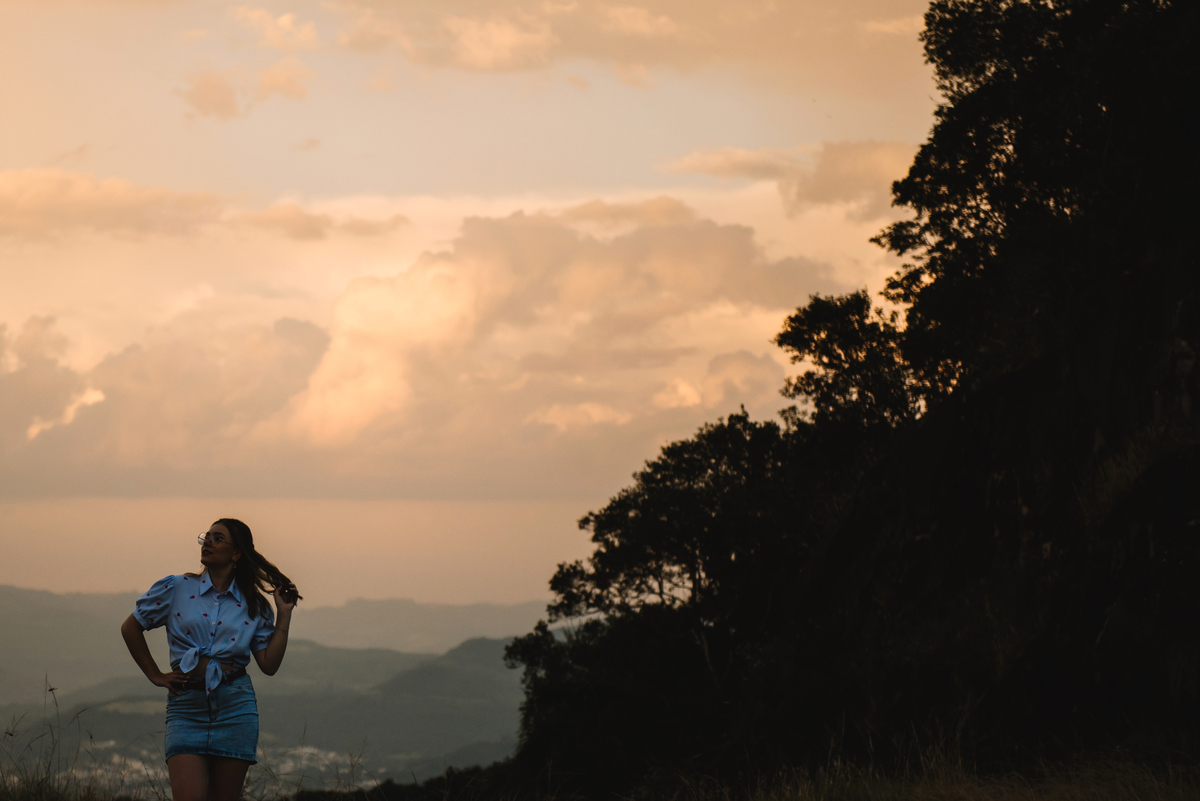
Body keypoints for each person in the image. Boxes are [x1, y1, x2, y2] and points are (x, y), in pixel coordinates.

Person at [120, 518, 301, 801]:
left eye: (218, 538)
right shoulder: (176, 588)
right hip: (186, 707)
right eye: (207, 537)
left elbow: (269, 664)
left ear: (236, 553)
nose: (208, 542)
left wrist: (284, 615)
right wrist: (155, 675)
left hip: (235, 706)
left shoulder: (254, 604)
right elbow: (131, 627)